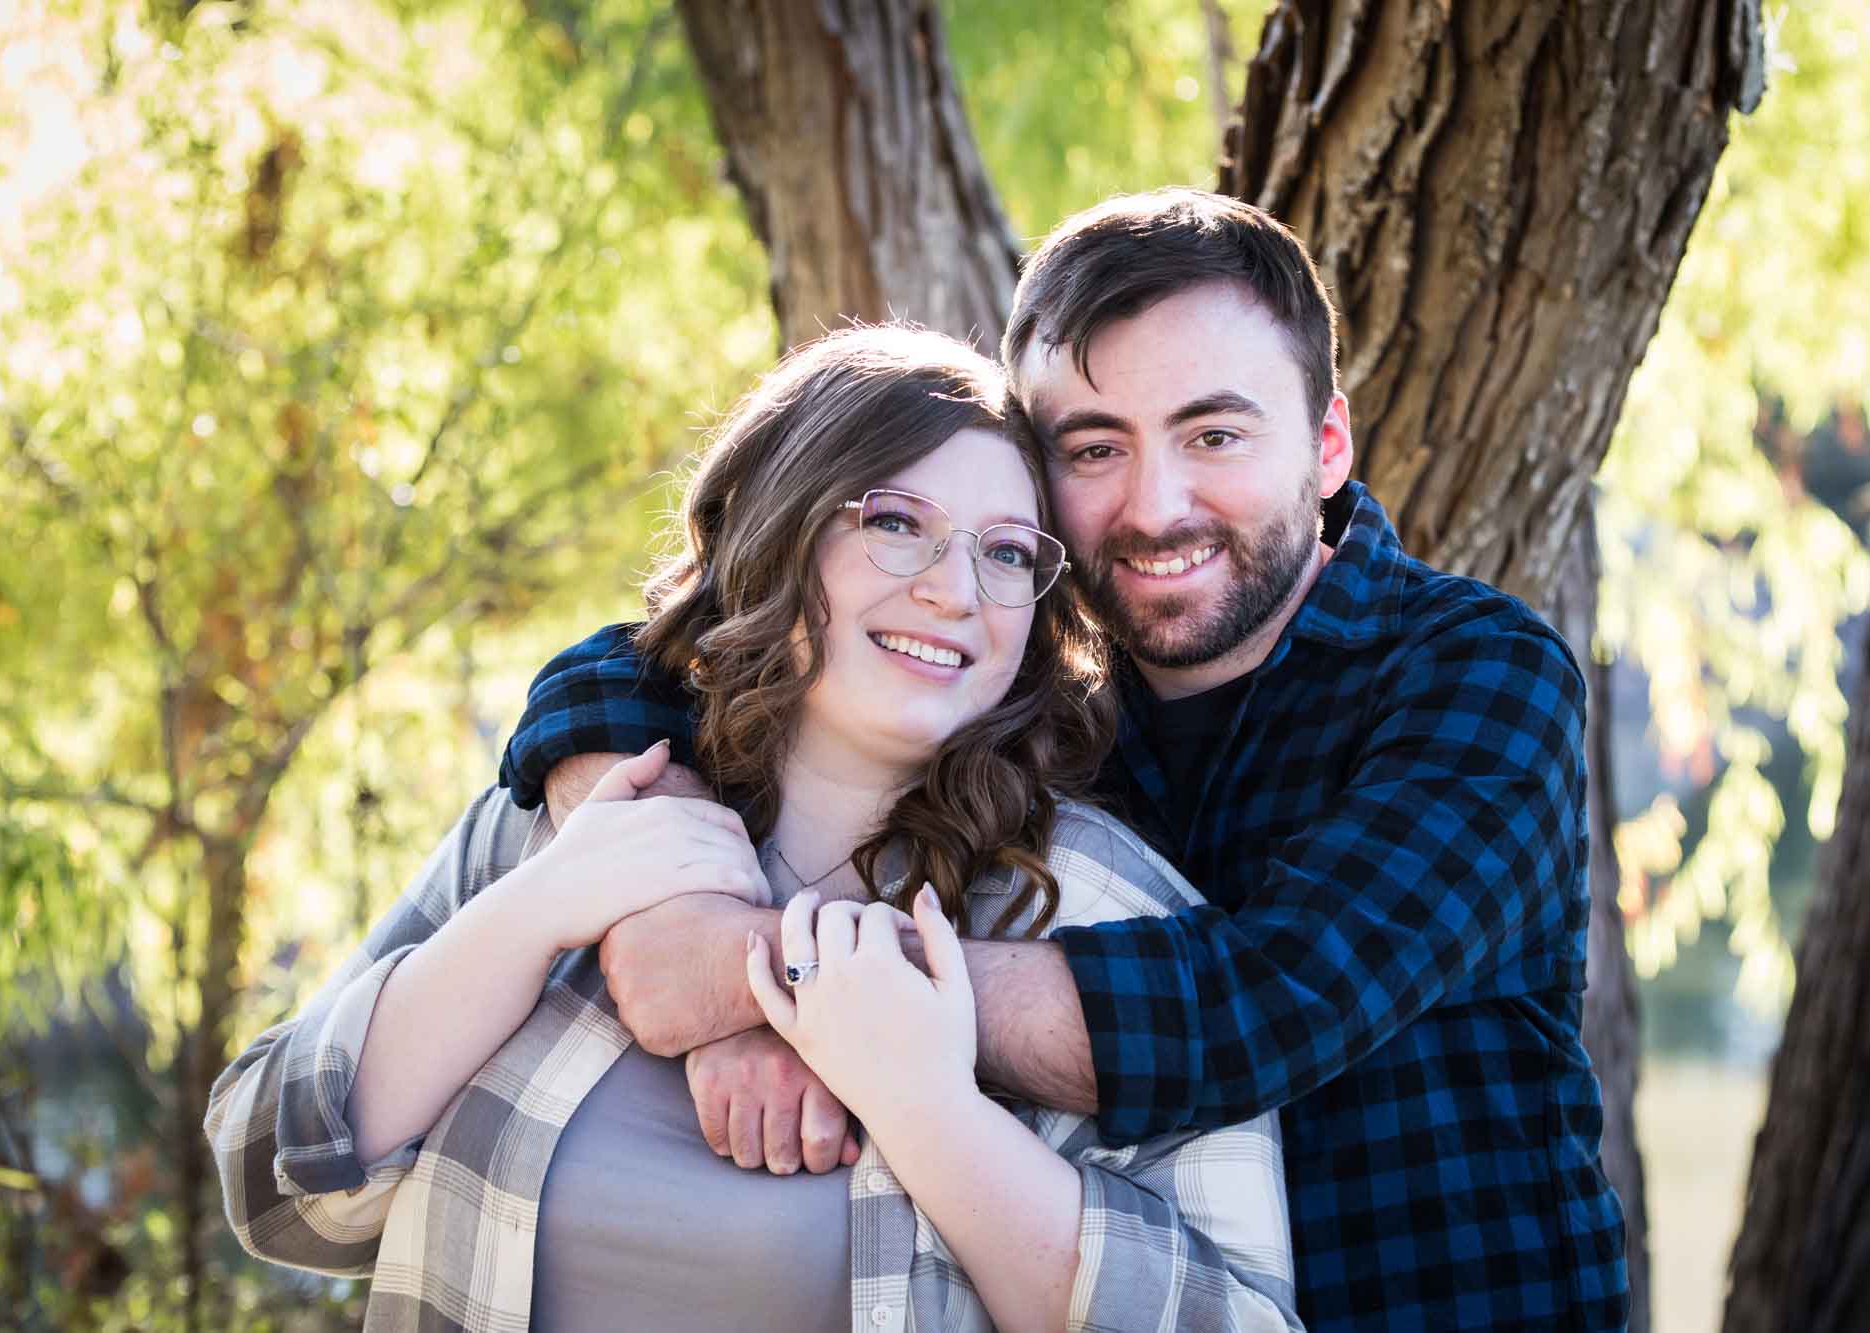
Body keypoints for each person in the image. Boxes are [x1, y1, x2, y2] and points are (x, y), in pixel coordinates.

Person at [503, 189, 1629, 1331]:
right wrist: (664, 882)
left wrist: (763, 977)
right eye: (1093, 448)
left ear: (1327, 444)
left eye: (1214, 435)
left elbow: (1254, 1006)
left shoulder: (1475, 676)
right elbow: (634, 667)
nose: (1155, 505)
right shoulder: (1028, 691)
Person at [206, 324, 1302, 1332]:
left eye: (1007, 551)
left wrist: (924, 1108)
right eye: (893, 523)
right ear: (779, 527)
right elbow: (276, 1188)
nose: (954, 590)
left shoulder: (1102, 908)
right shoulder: (569, 816)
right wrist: (540, 911)